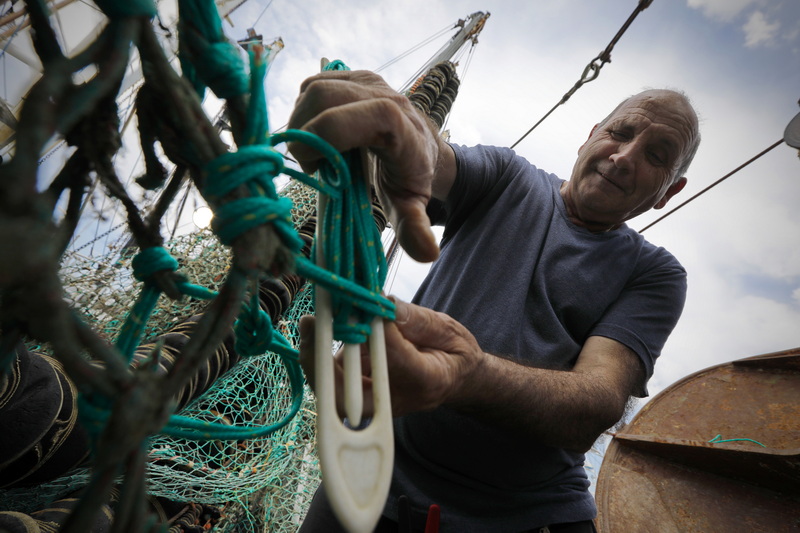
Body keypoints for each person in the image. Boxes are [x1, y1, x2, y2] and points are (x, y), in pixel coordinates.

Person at [288, 69, 700, 533]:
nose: (624, 157)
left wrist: (466, 374)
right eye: (618, 133)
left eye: (657, 156)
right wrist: (407, 130)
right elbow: (437, 160)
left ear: (670, 191)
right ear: (589, 137)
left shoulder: (655, 274)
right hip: (371, 477)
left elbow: (597, 403)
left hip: (526, 517)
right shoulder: (509, 177)